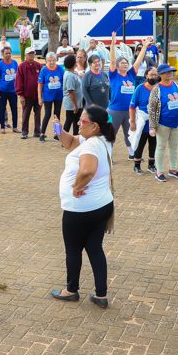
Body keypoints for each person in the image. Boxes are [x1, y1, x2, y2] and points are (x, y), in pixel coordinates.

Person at [50, 106, 116, 309]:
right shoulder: (100, 139)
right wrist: (59, 130)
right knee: (95, 249)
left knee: (73, 249)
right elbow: (70, 142)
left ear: (95, 126)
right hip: (101, 205)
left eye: (83, 121)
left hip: (81, 210)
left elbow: (87, 170)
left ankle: (71, 290)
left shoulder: (91, 145)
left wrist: (77, 186)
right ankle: (101, 295)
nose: (79, 123)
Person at [107, 32, 147, 156]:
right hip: (113, 111)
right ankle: (108, 153)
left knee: (129, 133)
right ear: (117, 66)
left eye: (126, 63)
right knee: (110, 134)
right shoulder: (114, 75)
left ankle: (132, 153)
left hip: (129, 110)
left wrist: (144, 47)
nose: (125, 64)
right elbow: (112, 61)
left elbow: (138, 61)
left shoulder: (131, 74)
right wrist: (113, 44)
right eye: (122, 63)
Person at [148, 64, 178, 182]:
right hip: (163, 123)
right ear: (160, 74)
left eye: (170, 71)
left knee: (174, 147)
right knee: (161, 147)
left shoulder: (175, 85)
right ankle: (159, 171)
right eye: (166, 72)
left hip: (176, 122)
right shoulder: (157, 89)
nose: (169, 74)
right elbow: (152, 109)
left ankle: (173, 169)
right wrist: (152, 126)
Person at [129, 67, 158, 174]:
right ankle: (136, 165)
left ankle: (151, 165)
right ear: (146, 75)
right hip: (143, 121)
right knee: (140, 143)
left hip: (155, 122)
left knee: (153, 143)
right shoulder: (140, 88)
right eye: (151, 74)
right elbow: (132, 106)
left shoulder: (158, 88)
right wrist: (132, 122)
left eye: (156, 74)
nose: (154, 77)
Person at [38, 52, 65, 142]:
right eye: (49, 60)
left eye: (53, 60)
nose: (52, 62)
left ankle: (56, 134)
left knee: (57, 114)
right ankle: (42, 133)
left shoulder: (60, 69)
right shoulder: (44, 70)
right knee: (47, 114)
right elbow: (40, 85)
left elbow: (65, 82)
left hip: (58, 96)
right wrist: (39, 97)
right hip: (47, 96)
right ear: (46, 61)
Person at [16, 47, 42, 139]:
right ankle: (24, 132)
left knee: (38, 114)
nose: (31, 55)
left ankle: (37, 131)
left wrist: (41, 95)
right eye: (29, 54)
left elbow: (42, 80)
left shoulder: (39, 65)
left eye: (32, 53)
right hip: (27, 96)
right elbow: (19, 81)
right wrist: (21, 95)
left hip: (38, 95)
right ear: (26, 55)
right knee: (26, 114)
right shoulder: (21, 66)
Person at [0, 46, 20, 134]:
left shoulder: (15, 63)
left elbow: (18, 76)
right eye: (6, 53)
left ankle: (15, 127)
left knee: (14, 109)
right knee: (2, 109)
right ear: (2, 54)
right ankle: (2, 127)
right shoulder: (0, 64)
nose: (8, 55)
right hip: (3, 91)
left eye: (9, 53)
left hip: (13, 91)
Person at [61, 55, 83, 135]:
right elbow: (71, 91)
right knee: (69, 121)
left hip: (75, 103)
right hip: (72, 104)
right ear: (73, 64)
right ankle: (63, 138)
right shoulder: (69, 75)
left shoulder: (71, 73)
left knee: (75, 121)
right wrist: (75, 105)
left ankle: (75, 137)